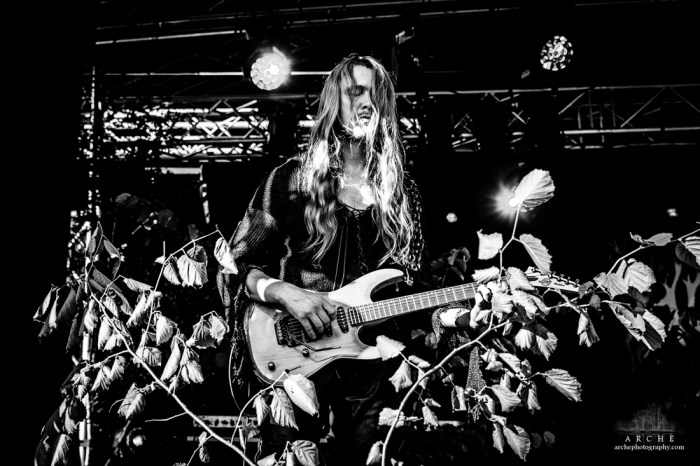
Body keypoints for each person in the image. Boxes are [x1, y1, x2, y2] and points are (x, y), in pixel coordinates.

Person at [218, 53, 441, 465]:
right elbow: (236, 265)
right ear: (334, 102)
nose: (366, 103)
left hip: (373, 369)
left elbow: (415, 281)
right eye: (355, 92)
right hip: (293, 355)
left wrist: (459, 312)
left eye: (375, 95)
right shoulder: (291, 180)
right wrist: (285, 293)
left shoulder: (402, 193)